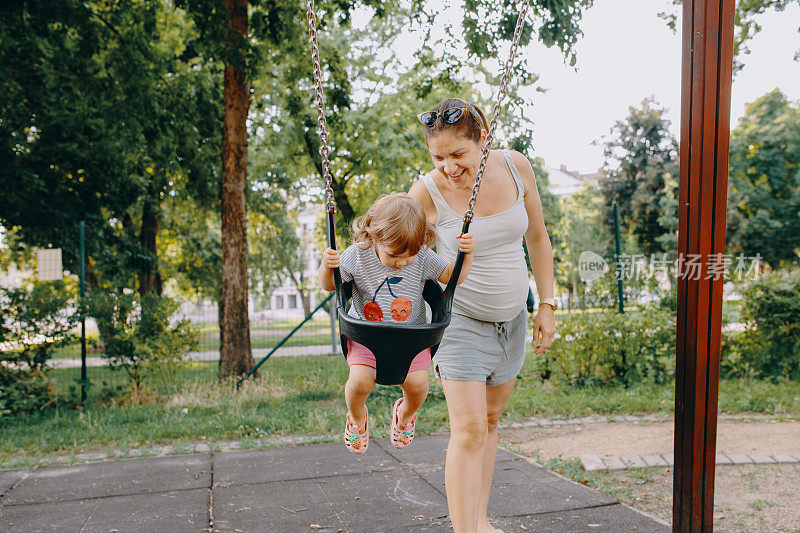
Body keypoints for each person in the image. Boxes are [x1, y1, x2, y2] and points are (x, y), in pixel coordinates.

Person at [409, 98, 557, 533]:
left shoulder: (515, 167)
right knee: (470, 428)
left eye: (459, 154)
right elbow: (398, 254)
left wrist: (545, 304)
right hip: (460, 321)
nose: (448, 166)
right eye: (438, 157)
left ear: (483, 140)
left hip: (512, 319)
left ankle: (478, 518)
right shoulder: (426, 192)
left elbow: (537, 237)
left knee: (491, 422)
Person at [318, 193, 476, 455]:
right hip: (366, 336)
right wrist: (327, 265)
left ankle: (405, 415)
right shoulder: (357, 255)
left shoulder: (422, 257)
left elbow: (452, 277)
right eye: (395, 255)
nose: (402, 262)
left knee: (418, 387)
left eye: (409, 256)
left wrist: (466, 256)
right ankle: (356, 419)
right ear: (373, 236)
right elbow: (328, 285)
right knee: (359, 381)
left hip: (411, 339)